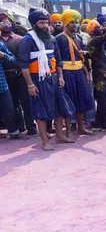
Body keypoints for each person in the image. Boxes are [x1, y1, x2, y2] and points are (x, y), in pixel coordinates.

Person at [19, 8, 76, 151]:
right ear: (33, 24)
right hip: (37, 80)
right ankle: (44, 141)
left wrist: (61, 77)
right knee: (41, 111)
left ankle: (59, 135)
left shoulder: (52, 39)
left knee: (59, 107)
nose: (45, 26)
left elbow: (58, 60)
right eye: (41, 23)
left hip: (53, 78)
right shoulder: (28, 40)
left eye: (46, 22)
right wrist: (30, 85)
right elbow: (24, 65)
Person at [54, 9, 94, 138]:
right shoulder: (59, 39)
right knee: (68, 102)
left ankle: (81, 127)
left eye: (76, 22)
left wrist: (87, 74)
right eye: (71, 22)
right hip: (66, 73)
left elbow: (82, 59)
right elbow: (57, 60)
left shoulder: (79, 38)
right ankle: (68, 131)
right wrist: (60, 76)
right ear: (65, 23)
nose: (75, 25)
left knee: (80, 99)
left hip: (79, 72)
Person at [0, 12, 36, 135]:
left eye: (8, 22)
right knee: (12, 104)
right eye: (2, 23)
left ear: (12, 23)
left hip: (20, 74)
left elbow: (25, 58)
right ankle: (19, 128)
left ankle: (31, 127)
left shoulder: (20, 39)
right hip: (4, 77)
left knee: (25, 101)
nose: (5, 25)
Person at [0, 40, 28, 140]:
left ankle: (13, 132)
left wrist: (3, 55)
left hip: (2, 84)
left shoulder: (0, 45)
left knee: (9, 110)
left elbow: (12, 59)